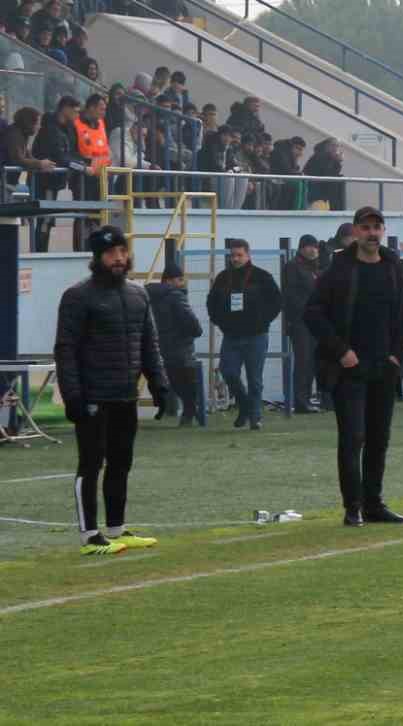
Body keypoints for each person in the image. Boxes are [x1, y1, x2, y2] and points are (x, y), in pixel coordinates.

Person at [53, 226, 168, 555]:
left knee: (121, 462)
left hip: (124, 395)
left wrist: (159, 384)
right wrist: (73, 396)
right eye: (110, 253)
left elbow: (150, 345)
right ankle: (90, 536)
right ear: (97, 258)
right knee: (90, 464)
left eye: (122, 251)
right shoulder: (77, 296)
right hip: (92, 396)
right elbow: (66, 350)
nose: (118, 258)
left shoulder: (138, 293)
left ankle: (117, 528)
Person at [303, 207, 403, 527]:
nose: (372, 233)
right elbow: (312, 313)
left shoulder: (395, 269)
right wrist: (341, 351)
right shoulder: (338, 270)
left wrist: (396, 357)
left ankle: (374, 504)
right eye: (366, 228)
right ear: (355, 231)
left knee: (379, 438)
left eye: (377, 227)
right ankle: (353, 507)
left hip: (383, 367)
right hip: (349, 368)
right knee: (353, 437)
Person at [205, 238, 282, 430]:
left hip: (256, 336)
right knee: (228, 372)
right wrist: (220, 322)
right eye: (233, 256)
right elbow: (211, 303)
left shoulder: (261, 276)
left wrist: (262, 321)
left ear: (248, 255)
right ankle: (245, 405)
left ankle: (255, 417)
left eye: (239, 255)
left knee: (255, 379)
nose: (235, 259)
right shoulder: (223, 278)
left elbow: (277, 301)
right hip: (231, 336)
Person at [146, 256, 202, 426]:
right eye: (179, 279)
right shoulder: (176, 295)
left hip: (157, 346)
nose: (182, 283)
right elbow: (190, 321)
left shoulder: (147, 294)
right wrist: (197, 331)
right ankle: (190, 413)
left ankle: (179, 411)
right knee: (188, 383)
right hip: (180, 346)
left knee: (171, 381)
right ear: (169, 280)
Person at [30, 95, 83, 252]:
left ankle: (41, 253)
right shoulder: (49, 128)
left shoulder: (67, 128)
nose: (77, 115)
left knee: (48, 219)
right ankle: (39, 254)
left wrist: (81, 163)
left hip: (56, 182)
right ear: (65, 108)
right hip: (46, 181)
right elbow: (61, 157)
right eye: (75, 111)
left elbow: (72, 153)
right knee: (45, 220)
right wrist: (82, 167)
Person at [282, 234, 323, 414]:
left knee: (313, 361)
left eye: (315, 247)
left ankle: (306, 399)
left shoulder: (316, 267)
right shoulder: (293, 267)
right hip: (301, 322)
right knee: (303, 361)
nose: (313, 250)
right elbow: (290, 295)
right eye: (309, 246)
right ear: (301, 248)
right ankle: (300, 401)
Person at [303, 138, 345, 211]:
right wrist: (337, 161)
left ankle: (337, 209)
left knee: (340, 180)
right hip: (315, 186)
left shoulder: (329, 157)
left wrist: (337, 162)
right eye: (333, 145)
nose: (335, 148)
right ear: (326, 146)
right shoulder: (319, 156)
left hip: (322, 186)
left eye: (337, 146)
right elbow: (327, 174)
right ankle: (336, 210)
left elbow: (333, 174)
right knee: (337, 183)